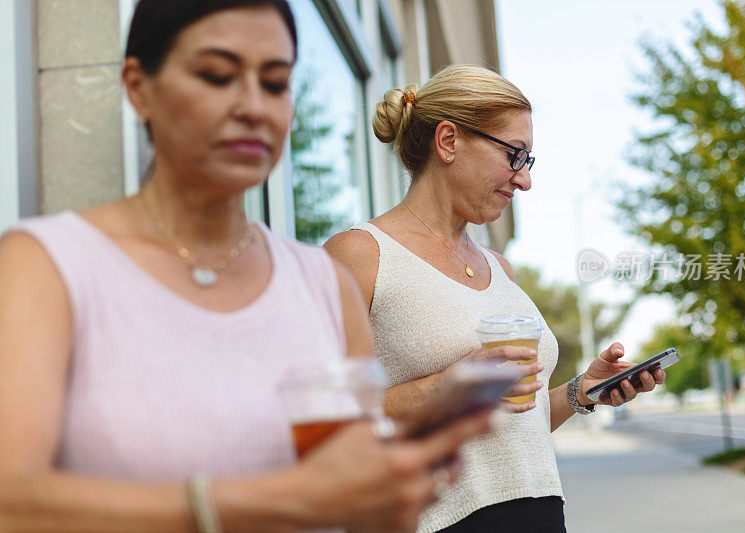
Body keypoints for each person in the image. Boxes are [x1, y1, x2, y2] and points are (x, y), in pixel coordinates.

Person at [0, 3, 492, 532]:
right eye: (217, 75)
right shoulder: (46, 265)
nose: (254, 107)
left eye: (276, 83)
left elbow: (355, 504)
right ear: (139, 87)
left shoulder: (324, 286)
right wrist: (255, 503)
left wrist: (400, 482)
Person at [324, 65, 668, 533]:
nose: (524, 181)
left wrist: (582, 390)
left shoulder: (500, 269)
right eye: (515, 155)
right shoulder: (359, 255)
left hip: (540, 513)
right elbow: (315, 414)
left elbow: (512, 429)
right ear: (448, 141)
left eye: (528, 161)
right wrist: (443, 388)